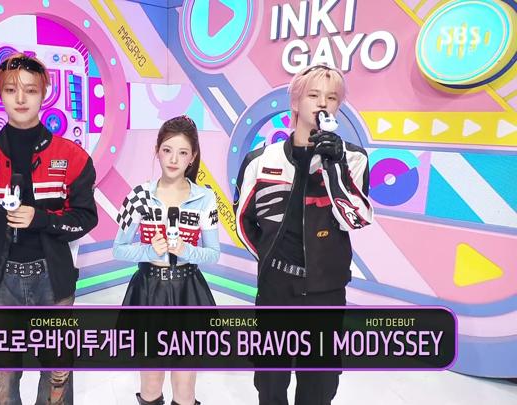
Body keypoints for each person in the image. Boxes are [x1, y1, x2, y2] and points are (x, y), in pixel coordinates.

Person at [0, 53, 98, 405]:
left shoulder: (74, 157)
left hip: (54, 279)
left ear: (43, 94)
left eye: (31, 90)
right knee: (1, 378)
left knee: (57, 373)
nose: (21, 98)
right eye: (11, 90)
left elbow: (85, 217)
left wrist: (41, 219)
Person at [233, 64, 374, 405]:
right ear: (296, 102)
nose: (323, 103)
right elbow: (243, 221)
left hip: (326, 290)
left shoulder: (353, 159)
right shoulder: (260, 159)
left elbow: (356, 219)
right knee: (270, 380)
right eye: (313, 95)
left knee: (319, 384)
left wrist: (334, 167)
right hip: (276, 288)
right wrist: (271, 259)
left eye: (332, 97)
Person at [113, 115, 220, 405]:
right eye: (167, 150)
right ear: (157, 150)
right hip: (149, 292)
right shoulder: (138, 196)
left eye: (183, 152)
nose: (174, 159)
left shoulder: (205, 198)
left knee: (185, 387)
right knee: (150, 384)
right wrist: (149, 251)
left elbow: (213, 253)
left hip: (188, 291)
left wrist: (187, 251)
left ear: (192, 157)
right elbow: (119, 249)